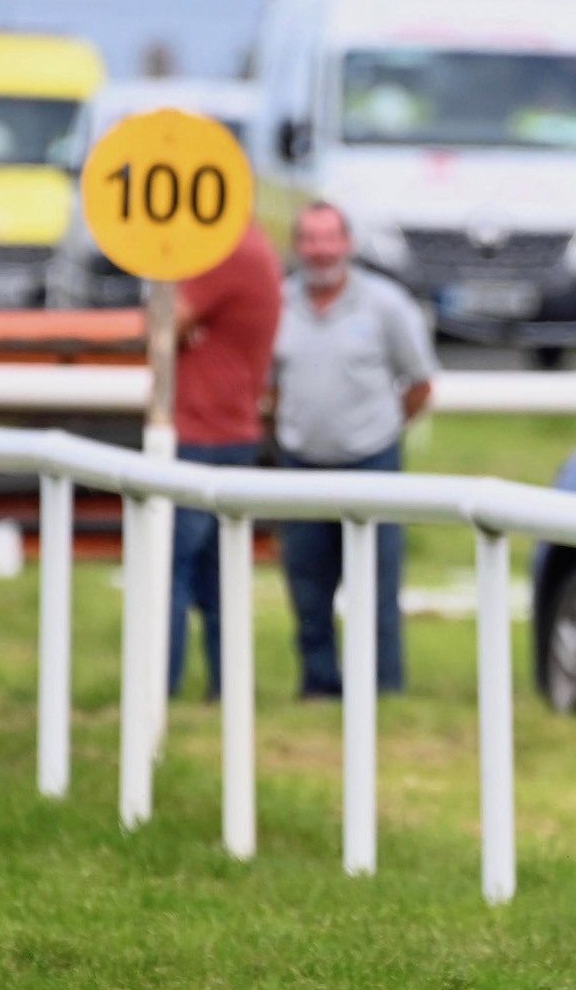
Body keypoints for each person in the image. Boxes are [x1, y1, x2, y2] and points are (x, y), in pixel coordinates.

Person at [273, 201, 436, 697]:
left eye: (330, 239)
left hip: (371, 462)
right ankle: (319, 686)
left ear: (348, 244)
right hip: (301, 465)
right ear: (297, 246)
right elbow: (267, 383)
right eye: (310, 239)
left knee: (377, 586)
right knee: (306, 585)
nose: (321, 251)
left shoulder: (385, 304)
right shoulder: (278, 303)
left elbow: (419, 382)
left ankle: (383, 688)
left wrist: (382, 432)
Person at [168, 222, 283, 699]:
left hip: (201, 429)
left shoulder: (228, 251)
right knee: (218, 575)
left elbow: (163, 325)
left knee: (169, 568)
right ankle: (226, 687)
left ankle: (158, 688)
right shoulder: (256, 247)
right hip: (232, 426)